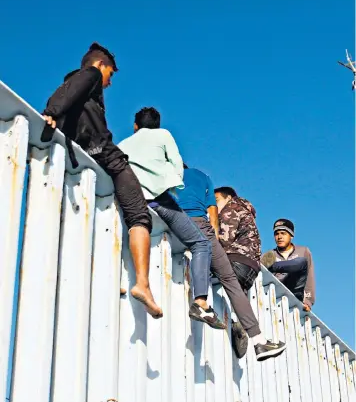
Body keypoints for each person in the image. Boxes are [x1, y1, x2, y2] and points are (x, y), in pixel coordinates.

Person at [41, 42, 162, 318]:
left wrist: (54, 117)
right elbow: (68, 93)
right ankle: (142, 283)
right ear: (101, 66)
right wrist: (51, 112)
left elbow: (67, 97)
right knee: (139, 215)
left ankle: (120, 274)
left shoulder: (78, 88)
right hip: (106, 156)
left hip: (87, 158)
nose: (108, 83)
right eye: (111, 75)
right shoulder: (90, 75)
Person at [118, 107, 226, 330]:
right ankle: (201, 302)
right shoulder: (163, 135)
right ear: (157, 125)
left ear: (135, 126)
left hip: (132, 198)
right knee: (200, 244)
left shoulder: (124, 144)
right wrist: (172, 185)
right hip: (158, 200)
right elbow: (177, 166)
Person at [176, 171, 286, 361]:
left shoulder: (232, 209)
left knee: (215, 266)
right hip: (250, 270)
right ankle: (248, 331)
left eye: (216, 200)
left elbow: (221, 240)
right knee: (235, 291)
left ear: (228, 198)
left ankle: (239, 325)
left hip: (235, 262)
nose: (214, 205)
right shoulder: (248, 215)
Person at [261, 219, 316, 312]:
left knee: (301, 262)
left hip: (295, 290)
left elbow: (310, 277)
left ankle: (273, 266)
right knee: (262, 266)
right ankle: (266, 267)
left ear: (291, 235)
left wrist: (308, 302)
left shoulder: (303, 251)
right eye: (276, 234)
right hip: (277, 290)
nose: (279, 237)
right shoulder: (269, 255)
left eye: (283, 233)